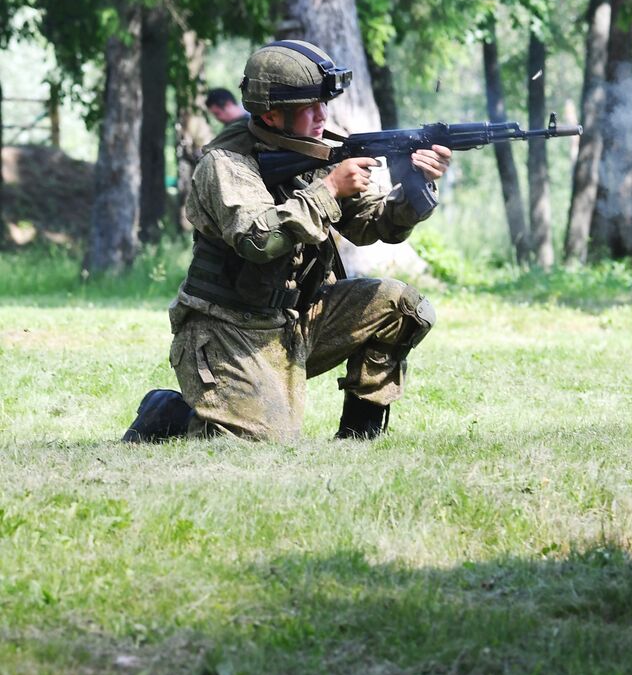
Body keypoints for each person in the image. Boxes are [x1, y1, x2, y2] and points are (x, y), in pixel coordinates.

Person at [123, 39, 451, 442]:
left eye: (323, 104)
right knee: (265, 442)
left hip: (299, 318)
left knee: (403, 308)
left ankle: (359, 436)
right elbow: (258, 240)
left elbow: (371, 227)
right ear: (273, 115)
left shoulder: (315, 150)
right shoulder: (225, 164)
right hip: (230, 329)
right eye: (309, 108)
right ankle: (172, 413)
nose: (321, 116)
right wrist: (330, 189)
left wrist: (417, 187)